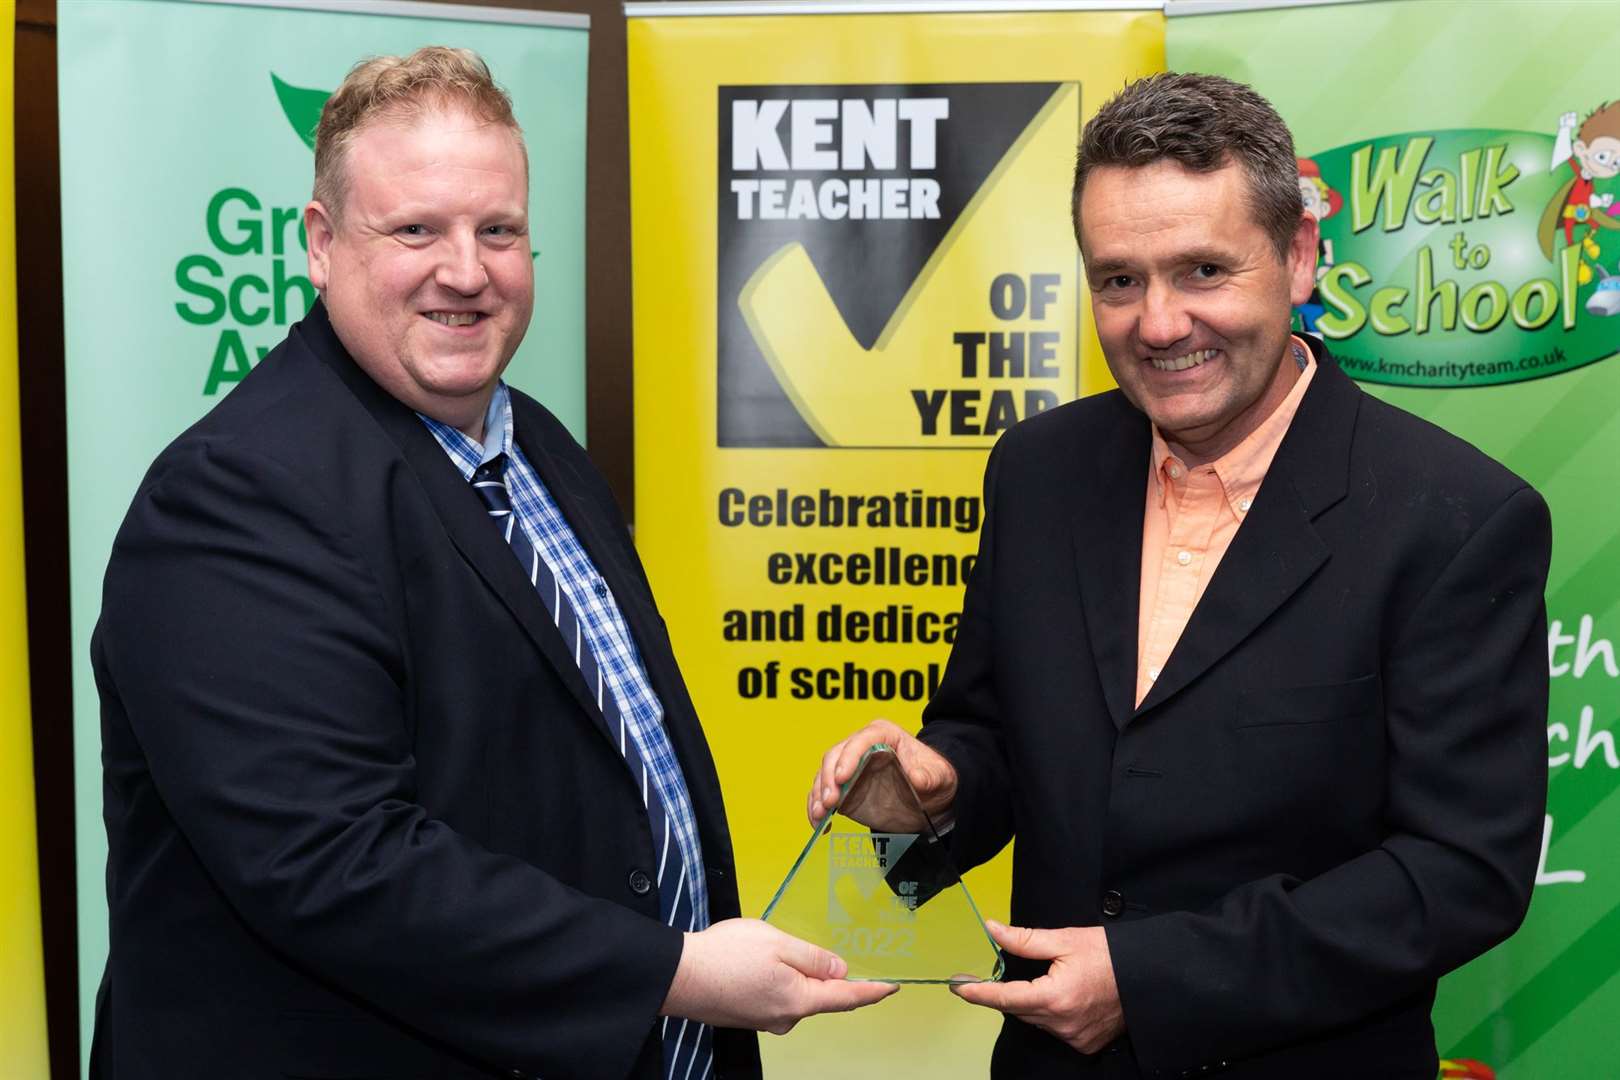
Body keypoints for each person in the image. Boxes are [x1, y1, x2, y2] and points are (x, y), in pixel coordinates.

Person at [91, 47, 891, 1080]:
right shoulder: (237, 495)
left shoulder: (534, 444)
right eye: (415, 229)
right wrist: (673, 972)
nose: (465, 271)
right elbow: (333, 865)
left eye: (498, 230)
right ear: (323, 244)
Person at [811, 73, 1550, 1080]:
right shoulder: (1037, 473)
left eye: (1203, 269)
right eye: (1119, 280)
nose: (1158, 324)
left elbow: (1461, 872)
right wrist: (934, 792)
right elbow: (998, 741)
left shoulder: (1454, 517)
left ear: (1297, 258)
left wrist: (1152, 979)